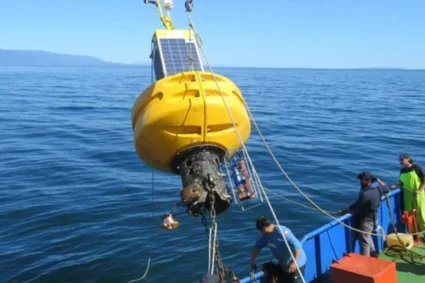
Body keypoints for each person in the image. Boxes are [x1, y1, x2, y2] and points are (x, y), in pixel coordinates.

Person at [337, 172, 389, 257]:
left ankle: (365, 261)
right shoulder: (378, 188)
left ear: (368, 181)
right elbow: (387, 189)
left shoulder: (365, 194)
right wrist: (379, 181)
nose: (360, 182)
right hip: (375, 217)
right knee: (367, 237)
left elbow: (356, 206)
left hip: (367, 220)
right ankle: (373, 254)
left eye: (362, 180)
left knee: (364, 241)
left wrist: (343, 211)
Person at [250, 217, 307, 283]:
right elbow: (257, 247)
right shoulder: (265, 236)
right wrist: (253, 259)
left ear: (264, 228)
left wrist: (294, 263)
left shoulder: (282, 232)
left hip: (297, 264)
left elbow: (297, 247)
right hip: (284, 265)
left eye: (261, 231)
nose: (261, 233)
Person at [391, 153, 425, 238]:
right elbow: (402, 183)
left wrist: (420, 190)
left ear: (408, 159)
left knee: (421, 215)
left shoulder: (416, 167)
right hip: (407, 196)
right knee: (409, 216)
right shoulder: (402, 170)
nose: (400, 162)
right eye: (400, 160)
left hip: (418, 194)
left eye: (402, 160)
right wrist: (396, 185)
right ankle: (414, 236)